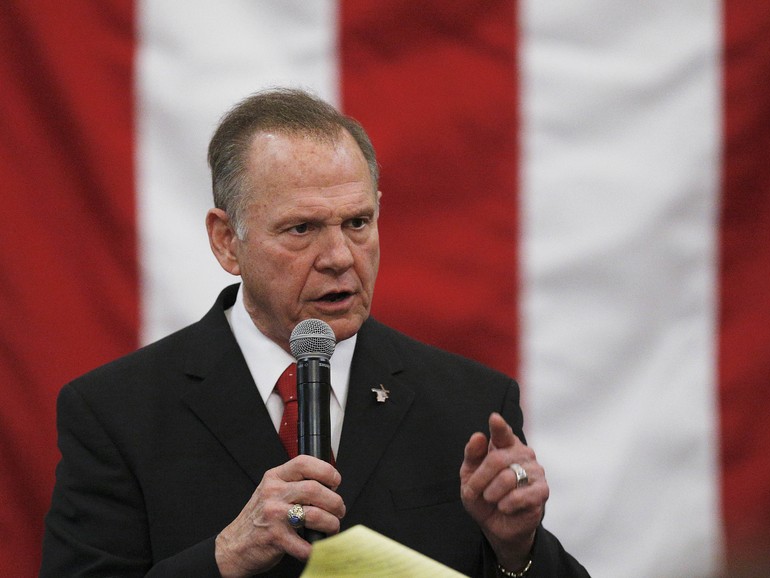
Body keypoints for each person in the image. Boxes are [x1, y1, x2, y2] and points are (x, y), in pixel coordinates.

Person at [40, 88, 589, 577]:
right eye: (301, 228)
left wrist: (516, 551)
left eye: (357, 223)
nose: (339, 258)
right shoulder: (115, 413)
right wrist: (223, 557)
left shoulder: (469, 403)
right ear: (228, 240)